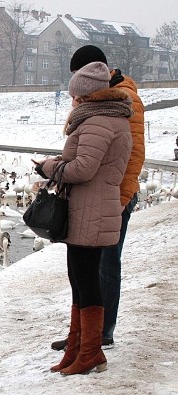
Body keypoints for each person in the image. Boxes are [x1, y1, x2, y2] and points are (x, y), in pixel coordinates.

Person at [38, 61, 132, 375]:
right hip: (89, 210)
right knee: (79, 280)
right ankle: (80, 349)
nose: (73, 100)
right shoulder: (108, 119)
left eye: (75, 95)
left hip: (90, 213)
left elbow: (83, 169)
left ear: (86, 95)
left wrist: (48, 167)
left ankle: (90, 352)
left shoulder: (98, 122)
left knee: (86, 281)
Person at [51, 45, 145, 352]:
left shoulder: (122, 99)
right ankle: (82, 336)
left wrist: (119, 199)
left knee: (104, 265)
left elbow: (132, 155)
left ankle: (101, 334)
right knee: (83, 269)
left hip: (112, 197)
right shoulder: (97, 98)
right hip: (94, 196)